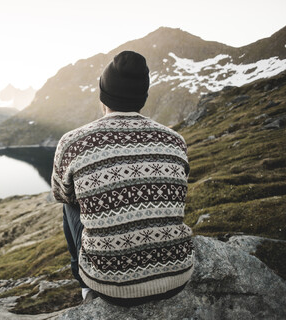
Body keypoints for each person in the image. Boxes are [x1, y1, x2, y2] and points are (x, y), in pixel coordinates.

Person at [51, 51, 194, 306]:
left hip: (110, 286)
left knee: (69, 204)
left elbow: (61, 194)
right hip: (177, 275)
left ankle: (86, 287)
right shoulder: (175, 141)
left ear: (103, 95)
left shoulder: (73, 142)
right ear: (143, 98)